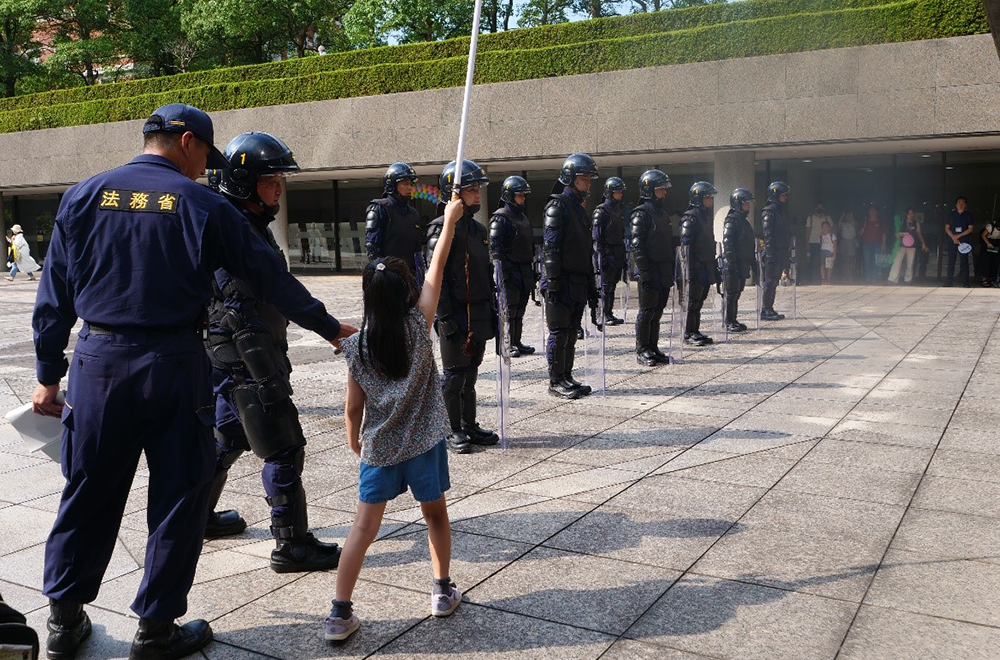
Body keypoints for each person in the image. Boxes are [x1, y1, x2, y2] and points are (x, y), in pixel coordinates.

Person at [31, 103, 357, 660]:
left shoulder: (84, 195)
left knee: (88, 489)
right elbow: (268, 277)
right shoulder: (203, 204)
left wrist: (46, 378)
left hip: (98, 362)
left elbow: (54, 295)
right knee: (180, 493)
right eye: (206, 153)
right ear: (187, 141)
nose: (207, 167)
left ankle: (63, 621)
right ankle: (156, 631)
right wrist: (330, 328)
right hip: (174, 361)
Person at [201, 132, 344, 575]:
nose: (278, 188)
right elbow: (238, 307)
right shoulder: (232, 227)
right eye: (270, 180)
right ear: (243, 182)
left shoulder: (244, 223)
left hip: (236, 356)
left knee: (229, 437)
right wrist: (265, 374)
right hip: (246, 354)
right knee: (282, 447)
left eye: (280, 180)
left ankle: (197, 517)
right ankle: (291, 545)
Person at [324, 198, 465, 642]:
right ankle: (442, 590)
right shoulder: (420, 325)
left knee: (363, 529)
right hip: (425, 445)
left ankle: (339, 613)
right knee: (436, 517)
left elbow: (353, 408)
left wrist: (354, 439)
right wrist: (450, 219)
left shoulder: (357, 347)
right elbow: (437, 264)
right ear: (407, 292)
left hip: (380, 450)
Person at [426, 159, 499, 453]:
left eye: (478, 188)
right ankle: (451, 428)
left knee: (471, 374)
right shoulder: (441, 229)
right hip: (454, 313)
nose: (477, 194)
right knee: (455, 376)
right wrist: (444, 317)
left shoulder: (478, 229)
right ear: (454, 192)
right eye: (470, 189)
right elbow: (435, 276)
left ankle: (469, 425)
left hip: (478, 312)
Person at [542, 153, 600, 398]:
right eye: (584, 178)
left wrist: (590, 285)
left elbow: (585, 249)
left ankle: (567, 376)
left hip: (577, 279)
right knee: (559, 332)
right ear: (572, 179)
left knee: (571, 332)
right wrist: (553, 281)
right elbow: (551, 248)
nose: (588, 182)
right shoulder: (557, 206)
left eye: (589, 178)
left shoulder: (579, 209)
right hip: (561, 281)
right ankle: (555, 381)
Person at [631, 169, 675, 366]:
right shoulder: (641, 214)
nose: (664, 193)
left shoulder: (663, 214)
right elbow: (637, 245)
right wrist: (644, 270)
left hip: (663, 269)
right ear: (649, 190)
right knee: (647, 311)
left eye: (664, 189)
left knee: (657, 311)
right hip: (650, 269)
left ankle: (653, 347)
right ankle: (642, 349)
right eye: (660, 190)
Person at [489, 175, 536, 357]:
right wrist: (500, 275)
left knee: (520, 310)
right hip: (509, 271)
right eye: (519, 195)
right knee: (508, 310)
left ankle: (516, 341)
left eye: (524, 196)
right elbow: (496, 249)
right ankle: (505, 344)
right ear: (509, 195)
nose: (523, 199)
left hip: (524, 269)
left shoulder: (522, 217)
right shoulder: (500, 218)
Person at [365, 162, 424, 276]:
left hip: (410, 276)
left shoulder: (413, 214)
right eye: (405, 184)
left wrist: (420, 275)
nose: (409, 187)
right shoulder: (379, 209)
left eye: (410, 184)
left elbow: (417, 249)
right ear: (391, 185)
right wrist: (382, 274)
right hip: (388, 275)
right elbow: (372, 248)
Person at [679, 182, 718, 346]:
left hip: (705, 266)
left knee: (699, 301)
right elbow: (686, 247)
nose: (710, 200)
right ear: (699, 199)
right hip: (695, 268)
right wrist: (689, 271)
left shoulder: (704, 217)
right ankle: (688, 332)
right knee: (692, 302)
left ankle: (695, 330)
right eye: (707, 197)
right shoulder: (690, 217)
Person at [591, 177, 628, 327]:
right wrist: (602, 257)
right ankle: (603, 313)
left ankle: (609, 312)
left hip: (617, 251)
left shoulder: (617, 210)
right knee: (605, 286)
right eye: (618, 192)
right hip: (606, 253)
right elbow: (597, 238)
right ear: (610, 193)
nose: (620, 194)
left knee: (612, 285)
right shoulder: (601, 211)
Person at [722, 188, 755, 333]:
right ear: (739, 204)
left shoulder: (743, 222)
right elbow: (728, 243)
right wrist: (731, 263)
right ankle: (728, 321)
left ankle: (733, 319)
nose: (749, 206)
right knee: (731, 294)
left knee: (737, 293)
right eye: (746, 203)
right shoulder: (732, 220)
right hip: (734, 264)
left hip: (743, 263)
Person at [759, 181, 791, 321]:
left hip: (780, 251)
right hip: (772, 252)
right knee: (770, 281)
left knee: (774, 282)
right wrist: (771, 254)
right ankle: (765, 309)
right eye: (783, 195)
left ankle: (769, 308)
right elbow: (768, 235)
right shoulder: (769, 211)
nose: (785, 198)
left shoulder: (779, 210)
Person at [888, 207, 927, 285]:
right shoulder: (901, 222)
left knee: (910, 263)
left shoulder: (916, 223)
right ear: (906, 214)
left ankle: (908, 279)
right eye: (909, 213)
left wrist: (923, 242)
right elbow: (896, 233)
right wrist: (902, 234)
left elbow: (919, 233)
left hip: (912, 246)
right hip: (901, 245)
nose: (911, 215)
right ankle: (893, 279)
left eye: (912, 213)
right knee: (897, 262)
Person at [944, 196, 975, 287]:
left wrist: (959, 236)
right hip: (952, 240)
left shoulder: (969, 215)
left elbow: (970, 229)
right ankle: (949, 281)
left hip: (964, 241)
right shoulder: (951, 214)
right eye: (959, 202)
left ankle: (965, 282)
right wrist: (953, 237)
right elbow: (947, 228)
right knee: (951, 261)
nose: (961, 204)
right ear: (955, 204)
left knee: (964, 261)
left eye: (963, 202)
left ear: (965, 205)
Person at [804, 203, 832, 283]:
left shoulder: (827, 218)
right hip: (812, 242)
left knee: (823, 262)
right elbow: (808, 231)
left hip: (824, 244)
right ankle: (810, 278)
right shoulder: (811, 218)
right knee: (811, 261)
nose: (820, 208)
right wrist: (807, 243)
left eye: (821, 207)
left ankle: (823, 278)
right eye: (818, 207)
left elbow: (832, 230)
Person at [860, 206, 886, 283]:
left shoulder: (880, 221)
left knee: (875, 261)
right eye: (870, 210)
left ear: (877, 212)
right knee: (867, 261)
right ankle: (868, 277)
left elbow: (884, 233)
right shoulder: (865, 221)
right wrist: (861, 231)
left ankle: (874, 277)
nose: (872, 212)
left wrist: (883, 244)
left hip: (877, 244)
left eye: (874, 210)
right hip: (866, 243)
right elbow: (859, 233)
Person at [980, 217, 1000, 286]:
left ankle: (992, 279)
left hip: (997, 243)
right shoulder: (990, 226)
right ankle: (984, 279)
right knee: (986, 261)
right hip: (988, 242)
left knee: (995, 262)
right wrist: (988, 243)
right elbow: (983, 235)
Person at [838, 210, 857, 282]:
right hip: (844, 241)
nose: (848, 217)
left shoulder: (853, 223)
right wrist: (842, 216)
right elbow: (839, 226)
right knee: (845, 260)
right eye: (847, 216)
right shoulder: (843, 224)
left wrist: (851, 215)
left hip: (851, 241)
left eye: (849, 216)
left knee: (851, 260)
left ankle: (851, 276)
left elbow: (853, 222)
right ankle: (845, 275)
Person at [819, 221, 837, 285]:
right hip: (822, 251)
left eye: (826, 227)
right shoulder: (821, 235)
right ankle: (823, 278)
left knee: (829, 267)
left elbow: (835, 245)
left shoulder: (832, 235)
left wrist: (834, 255)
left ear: (829, 228)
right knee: (822, 265)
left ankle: (828, 279)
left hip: (829, 252)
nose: (824, 229)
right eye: (823, 227)